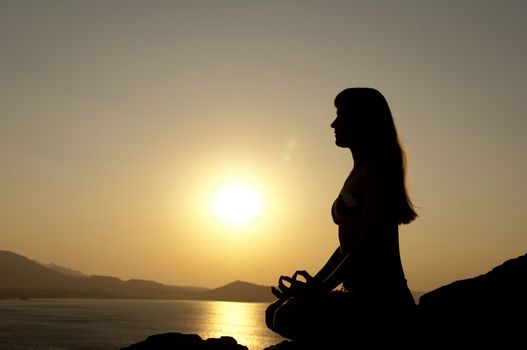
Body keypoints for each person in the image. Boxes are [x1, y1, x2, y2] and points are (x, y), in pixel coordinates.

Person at [265, 87, 418, 342]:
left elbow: (368, 245)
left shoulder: (377, 169)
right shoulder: (358, 171)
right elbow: (347, 246)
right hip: (357, 294)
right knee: (274, 312)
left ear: (362, 121)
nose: (333, 123)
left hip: (381, 301)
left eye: (341, 116)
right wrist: (316, 283)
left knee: (286, 315)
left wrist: (321, 289)